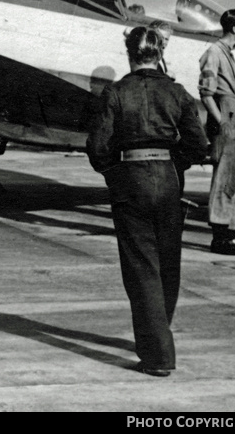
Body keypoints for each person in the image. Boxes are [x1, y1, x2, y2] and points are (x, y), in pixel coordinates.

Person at [87, 27, 208, 377]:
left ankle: (157, 355)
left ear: (129, 54)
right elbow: (198, 145)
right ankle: (159, 333)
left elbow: (98, 148)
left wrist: (115, 172)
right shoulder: (176, 92)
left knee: (141, 268)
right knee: (168, 263)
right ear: (159, 53)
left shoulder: (115, 92)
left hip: (131, 181)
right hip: (168, 181)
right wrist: (174, 165)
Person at [198, 8, 235, 255]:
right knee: (225, 176)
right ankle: (220, 236)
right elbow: (206, 93)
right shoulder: (214, 52)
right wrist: (222, 121)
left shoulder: (234, 53)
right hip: (228, 114)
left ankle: (232, 232)